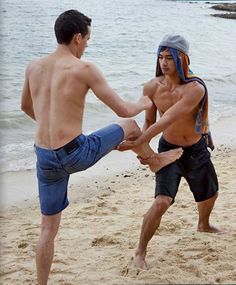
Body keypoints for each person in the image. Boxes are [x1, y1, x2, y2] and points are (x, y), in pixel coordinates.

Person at [21, 11, 183, 284]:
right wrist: (146, 102)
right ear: (77, 37)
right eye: (87, 40)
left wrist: (52, 125)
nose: (86, 46)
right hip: (75, 152)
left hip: (45, 157)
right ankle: (153, 160)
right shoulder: (84, 69)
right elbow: (123, 109)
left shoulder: (33, 66)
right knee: (130, 124)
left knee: (47, 230)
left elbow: (26, 107)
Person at [118, 34, 222, 269]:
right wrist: (144, 151)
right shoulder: (151, 87)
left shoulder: (195, 88)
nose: (163, 62)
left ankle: (203, 224)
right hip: (169, 150)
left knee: (210, 194)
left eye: (170, 58)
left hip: (196, 148)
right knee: (162, 201)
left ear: (182, 59)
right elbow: (149, 122)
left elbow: (168, 119)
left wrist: (137, 142)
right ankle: (140, 251)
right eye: (160, 57)